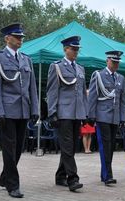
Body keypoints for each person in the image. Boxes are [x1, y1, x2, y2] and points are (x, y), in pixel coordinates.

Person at [0, 23, 39, 198]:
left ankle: (4, 177)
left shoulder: (26, 59)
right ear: (7, 38)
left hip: (23, 110)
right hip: (7, 111)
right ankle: (13, 185)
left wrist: (35, 108)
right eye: (17, 37)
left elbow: (32, 88)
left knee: (19, 148)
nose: (20, 40)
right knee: (9, 148)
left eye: (21, 37)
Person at [46, 36, 87, 192]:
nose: (75, 52)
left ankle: (60, 175)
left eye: (77, 49)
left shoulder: (80, 68)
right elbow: (52, 91)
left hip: (77, 113)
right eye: (73, 49)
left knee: (71, 147)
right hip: (63, 113)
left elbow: (83, 93)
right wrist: (52, 113)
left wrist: (85, 113)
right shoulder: (56, 67)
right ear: (65, 49)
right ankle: (73, 179)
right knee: (68, 146)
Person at [88, 50, 125, 186]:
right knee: (105, 146)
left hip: (114, 117)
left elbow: (122, 100)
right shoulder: (98, 75)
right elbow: (92, 96)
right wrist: (91, 115)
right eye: (113, 62)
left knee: (111, 146)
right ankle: (107, 175)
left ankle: (105, 173)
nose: (116, 64)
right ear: (107, 61)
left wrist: (122, 118)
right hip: (102, 116)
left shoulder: (120, 78)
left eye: (117, 62)